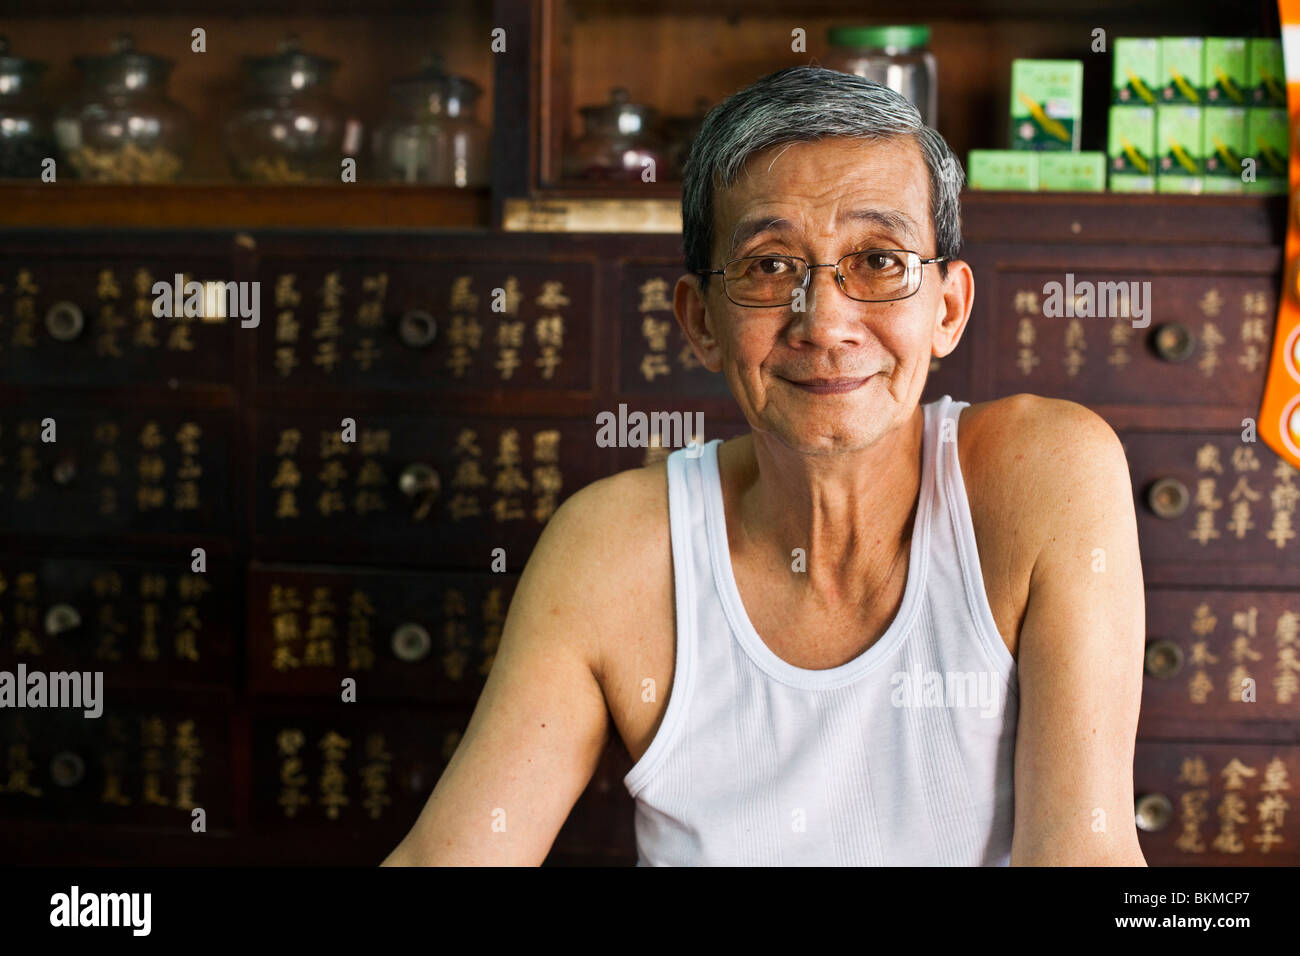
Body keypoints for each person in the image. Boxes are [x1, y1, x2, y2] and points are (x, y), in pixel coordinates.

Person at [382, 66, 1147, 866]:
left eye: (879, 260)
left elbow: (1084, 856)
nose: (824, 323)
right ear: (700, 321)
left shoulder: (1046, 476)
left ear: (946, 308)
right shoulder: (613, 549)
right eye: (770, 265)